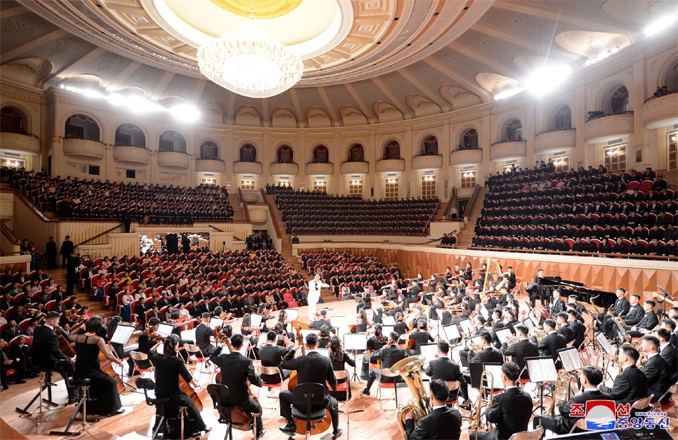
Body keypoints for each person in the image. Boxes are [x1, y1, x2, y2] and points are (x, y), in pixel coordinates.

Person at [278, 333, 342, 439]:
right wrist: (331, 387)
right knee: (334, 403)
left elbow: (283, 363)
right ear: (318, 344)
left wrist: (294, 349)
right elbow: (333, 385)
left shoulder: (300, 360)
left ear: (306, 345)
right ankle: (336, 431)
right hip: (320, 403)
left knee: (283, 395)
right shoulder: (326, 360)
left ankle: (290, 423)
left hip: (300, 402)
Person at [150, 335, 211, 438]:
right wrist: (196, 385)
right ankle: (202, 427)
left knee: (185, 398)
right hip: (173, 395)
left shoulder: (158, 357)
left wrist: (158, 343)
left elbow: (150, 352)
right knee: (191, 403)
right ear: (175, 346)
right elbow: (187, 377)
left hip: (159, 393)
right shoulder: (176, 361)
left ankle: (192, 430)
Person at [210, 334, 265, 438]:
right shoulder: (246, 361)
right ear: (242, 345)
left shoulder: (223, 358)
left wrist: (220, 346)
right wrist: (260, 382)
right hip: (239, 399)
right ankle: (259, 431)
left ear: (231, 344)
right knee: (256, 408)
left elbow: (212, 356)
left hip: (223, 399)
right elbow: (253, 378)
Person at [68, 316, 124, 415]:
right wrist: (119, 362)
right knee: (111, 382)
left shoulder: (79, 337)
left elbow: (70, 335)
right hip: (91, 371)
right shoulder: (98, 339)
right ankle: (113, 409)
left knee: (99, 383)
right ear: (98, 327)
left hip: (79, 371)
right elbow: (108, 355)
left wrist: (80, 328)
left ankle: (93, 409)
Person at [534, 366, 611, 435]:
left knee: (538, 419)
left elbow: (563, 411)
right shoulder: (609, 397)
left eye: (581, 375)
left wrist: (562, 399)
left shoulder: (577, 399)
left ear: (585, 380)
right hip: (595, 430)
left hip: (574, 429)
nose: (579, 377)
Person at [32, 311, 79, 403]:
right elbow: (56, 352)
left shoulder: (37, 328)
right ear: (52, 321)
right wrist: (69, 359)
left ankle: (73, 394)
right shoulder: (51, 335)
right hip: (49, 361)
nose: (59, 322)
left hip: (37, 360)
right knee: (71, 369)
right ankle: (73, 397)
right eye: (58, 320)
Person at [362, 331, 408, 396]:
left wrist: (382, 348)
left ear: (389, 340)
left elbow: (372, 356)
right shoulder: (402, 351)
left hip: (385, 378)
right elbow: (408, 360)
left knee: (373, 371)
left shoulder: (384, 350)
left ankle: (367, 390)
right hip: (398, 377)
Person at [425, 340, 469, 405]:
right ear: (448, 351)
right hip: (451, 397)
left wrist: (435, 360)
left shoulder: (432, 363)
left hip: (436, 398)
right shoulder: (455, 366)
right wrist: (466, 399)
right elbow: (463, 383)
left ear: (438, 350)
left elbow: (427, 372)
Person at [639, 335, 672, 404]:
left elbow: (642, 382)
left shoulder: (652, 363)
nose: (641, 345)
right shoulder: (657, 359)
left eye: (643, 343)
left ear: (651, 347)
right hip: (663, 392)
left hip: (657, 394)